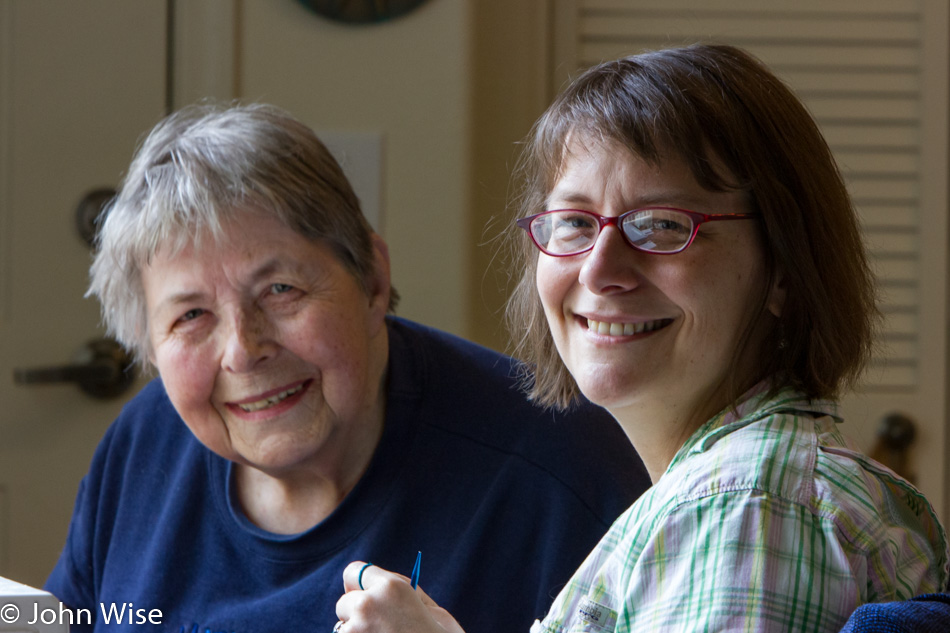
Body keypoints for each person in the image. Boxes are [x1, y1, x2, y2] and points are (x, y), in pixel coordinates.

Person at [334, 44, 950, 632]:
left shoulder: (744, 508)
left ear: (785, 270)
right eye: (575, 222)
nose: (600, 270)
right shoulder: (719, 493)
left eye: (661, 225)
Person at [43, 103, 651, 633]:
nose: (243, 349)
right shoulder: (144, 443)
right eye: (191, 315)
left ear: (373, 279)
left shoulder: (559, 474)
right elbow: (63, 617)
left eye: (280, 290)